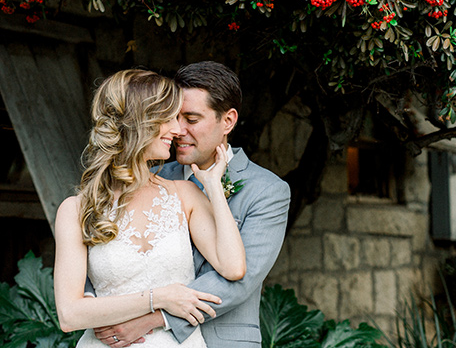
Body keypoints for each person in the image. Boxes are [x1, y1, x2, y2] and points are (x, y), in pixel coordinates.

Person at [93, 61, 291, 348]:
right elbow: (110, 249)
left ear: (228, 121)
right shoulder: (154, 177)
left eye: (192, 119)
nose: (178, 130)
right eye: (173, 117)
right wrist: (95, 305)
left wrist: (152, 318)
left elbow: (239, 281)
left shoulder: (268, 191)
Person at [54, 69, 247, 347]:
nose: (178, 130)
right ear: (139, 123)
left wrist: (214, 186)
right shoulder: (76, 210)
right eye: (168, 118)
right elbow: (69, 315)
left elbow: (233, 267)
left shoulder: (185, 195)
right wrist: (161, 297)